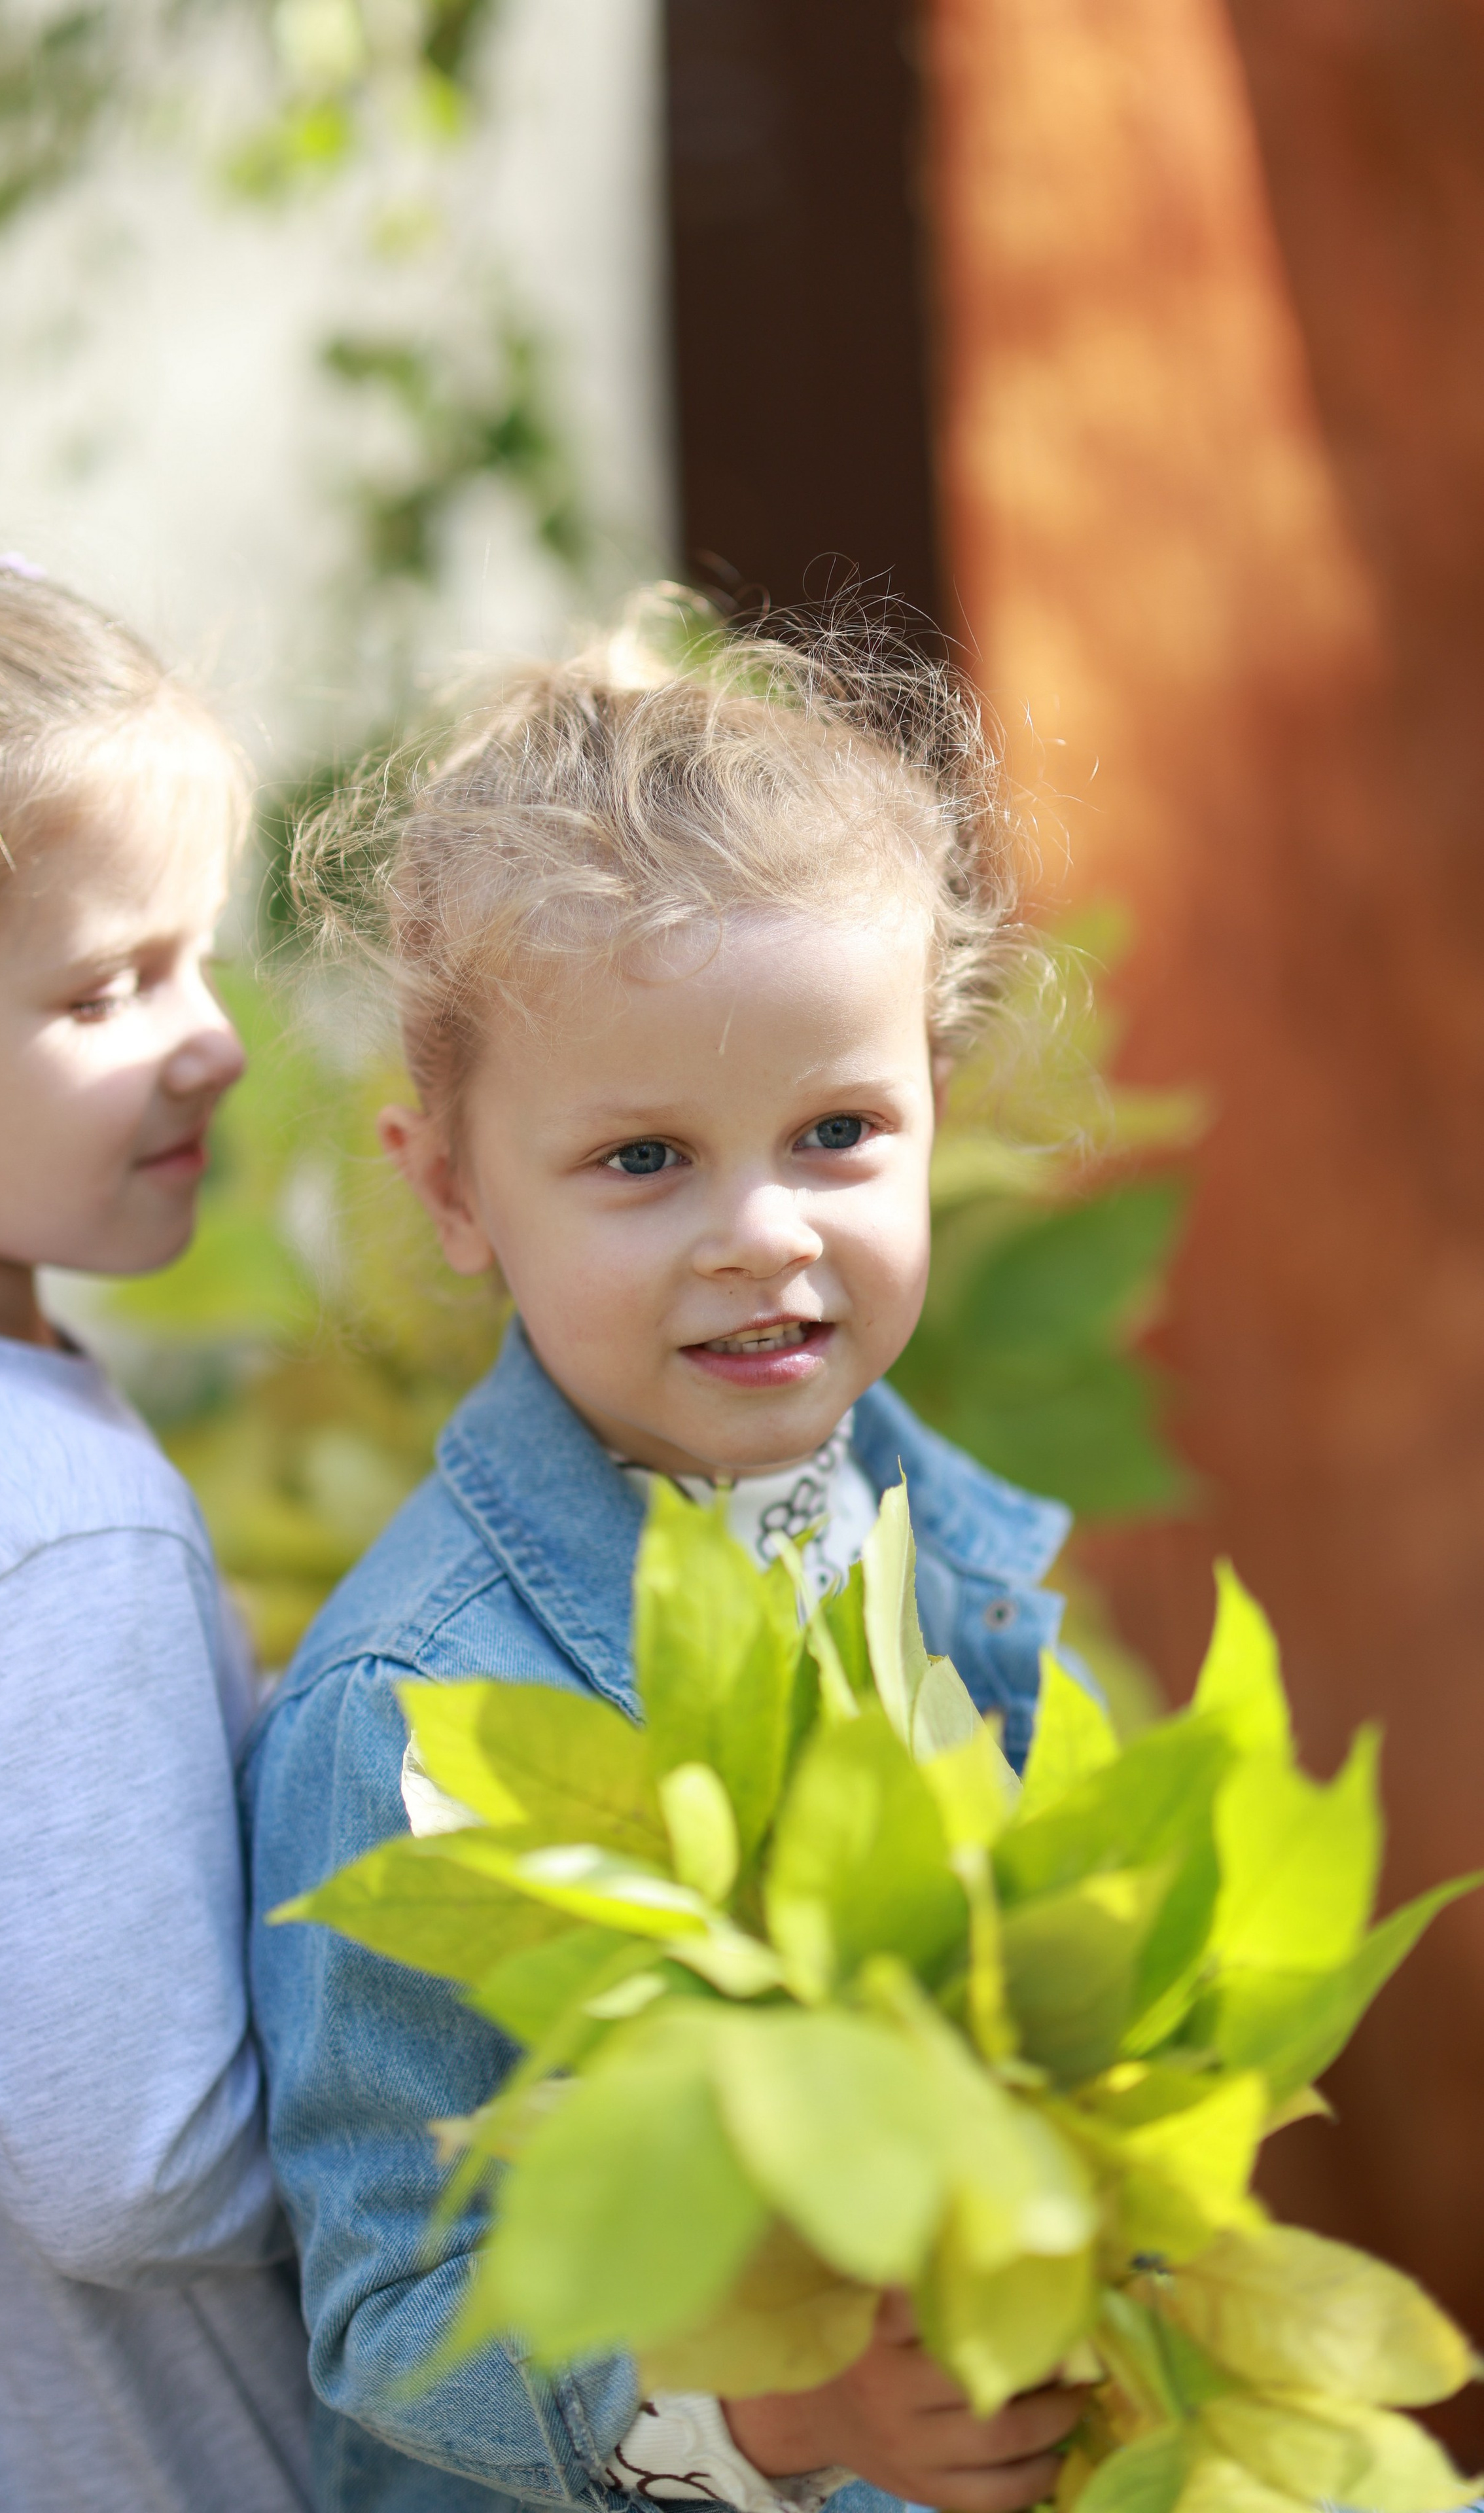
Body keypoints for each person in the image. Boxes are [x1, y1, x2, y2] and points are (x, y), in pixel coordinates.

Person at [243, 607, 1089, 2513]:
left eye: (837, 1131)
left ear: (938, 1108)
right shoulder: (411, 1717)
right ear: (452, 1188)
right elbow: (397, 2309)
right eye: (644, 1160)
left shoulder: (948, 1555)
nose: (762, 1233)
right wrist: (786, 2414)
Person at [0, 531, 311, 2511]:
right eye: (109, 988)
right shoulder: (35, 1531)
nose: (217, 1041)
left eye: (200, 953)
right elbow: (139, 2167)